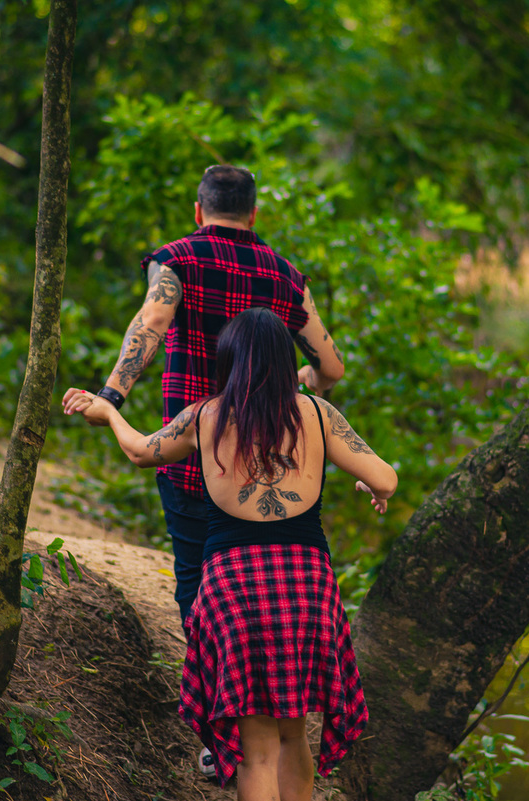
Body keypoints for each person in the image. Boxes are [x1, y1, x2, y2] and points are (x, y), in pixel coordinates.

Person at [63, 307, 396, 798]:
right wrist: (372, 484)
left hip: (235, 587)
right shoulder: (318, 414)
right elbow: (386, 477)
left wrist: (109, 410)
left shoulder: (204, 416)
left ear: (231, 361)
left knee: (256, 748)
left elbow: (139, 451)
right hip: (306, 586)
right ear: (287, 360)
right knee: (293, 731)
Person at [63, 164, 345, 631]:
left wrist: (110, 395)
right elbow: (331, 367)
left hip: (196, 453)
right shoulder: (286, 276)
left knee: (197, 576)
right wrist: (304, 379)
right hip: (274, 459)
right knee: (264, 580)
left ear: (199, 210)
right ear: (253, 216)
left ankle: (210, 676)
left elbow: (152, 322)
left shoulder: (178, 260)